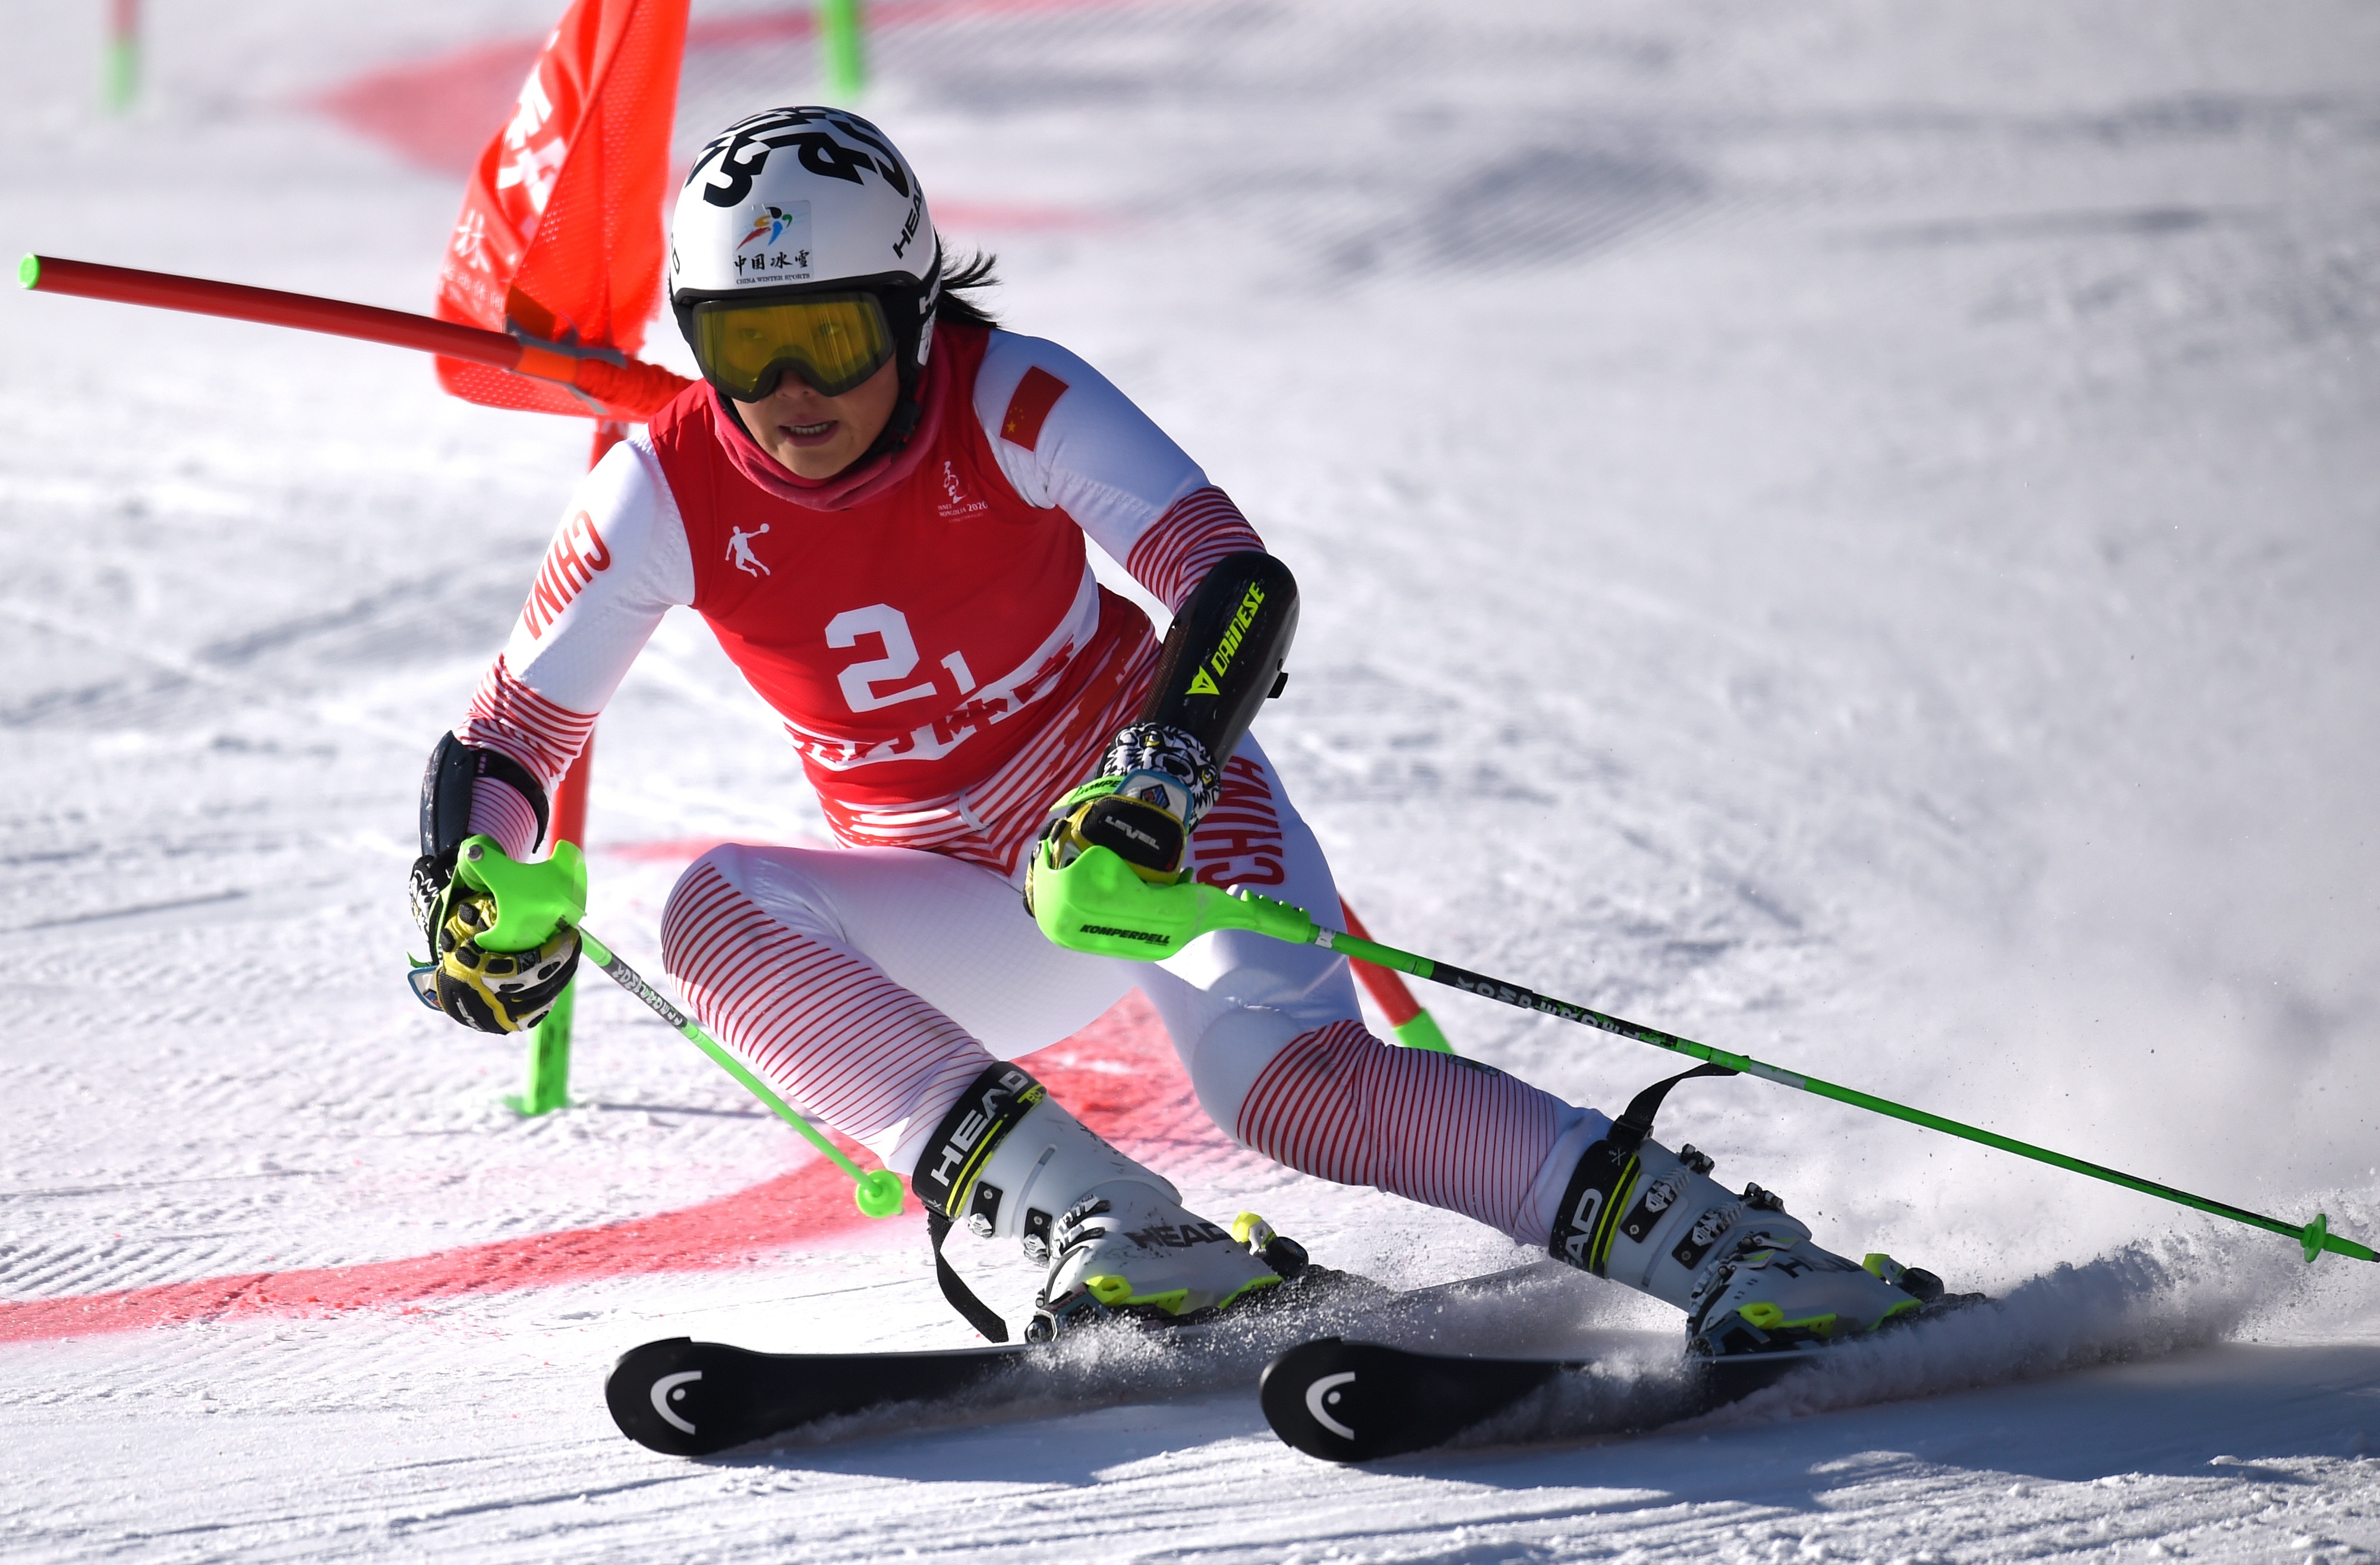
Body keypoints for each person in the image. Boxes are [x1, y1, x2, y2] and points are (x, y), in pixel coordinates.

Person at [407, 106, 1943, 1352]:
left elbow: (1231, 582)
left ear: (916, 310)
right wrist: (474, 890)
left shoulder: (1010, 399)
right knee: (713, 918)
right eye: (749, 347)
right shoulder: (670, 484)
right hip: (968, 899)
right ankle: (1108, 1225)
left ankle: (1732, 1248)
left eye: (836, 335)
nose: (795, 393)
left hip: (1148, 833)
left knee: (1289, 1084)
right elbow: (505, 740)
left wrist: (1148, 788)